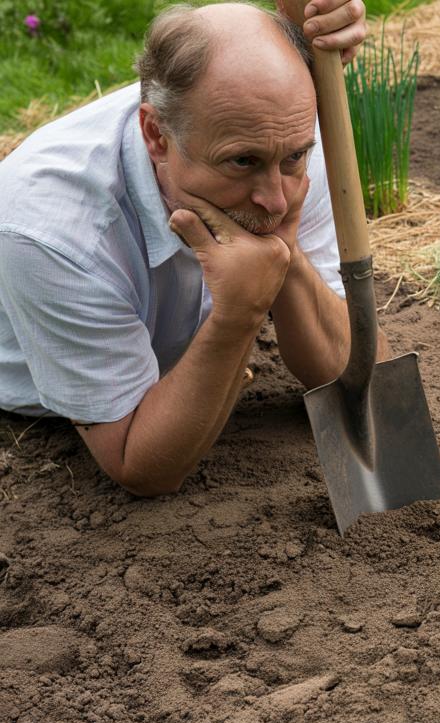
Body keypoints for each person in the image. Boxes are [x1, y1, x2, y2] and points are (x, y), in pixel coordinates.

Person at [0, 1, 377, 496]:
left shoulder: (281, 136)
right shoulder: (51, 234)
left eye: (293, 158)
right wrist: (239, 313)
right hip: (53, 403)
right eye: (242, 162)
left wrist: (284, 257)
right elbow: (141, 467)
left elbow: (345, 374)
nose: (276, 198)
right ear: (156, 134)